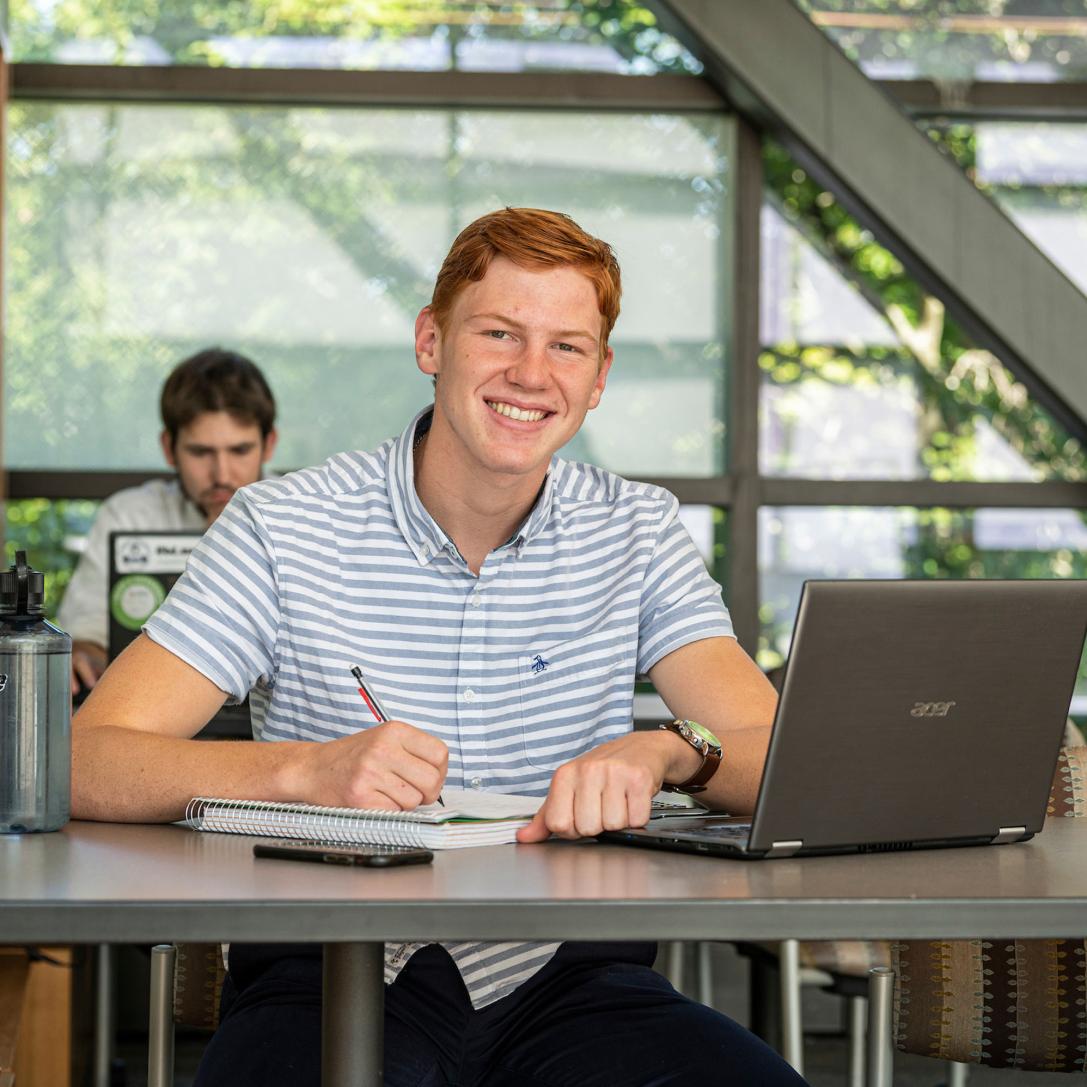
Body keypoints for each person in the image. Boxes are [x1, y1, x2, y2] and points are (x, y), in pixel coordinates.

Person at [71, 208, 806, 1086]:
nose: (530, 374)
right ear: (431, 341)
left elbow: (784, 763)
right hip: (329, 975)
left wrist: (668, 753)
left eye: (567, 347)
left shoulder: (636, 529)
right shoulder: (281, 525)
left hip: (570, 982)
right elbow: (87, 758)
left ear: (600, 375)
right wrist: (303, 774)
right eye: (498, 333)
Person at [58, 348, 277, 693]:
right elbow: (88, 635)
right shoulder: (129, 515)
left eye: (239, 450)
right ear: (168, 447)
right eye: (200, 452)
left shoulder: (302, 514)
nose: (222, 474)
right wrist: (83, 656)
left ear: (269, 445)